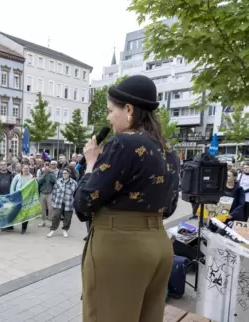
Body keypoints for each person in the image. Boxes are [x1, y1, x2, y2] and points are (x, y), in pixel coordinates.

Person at [73, 75, 179, 322]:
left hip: (120, 248)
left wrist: (90, 164)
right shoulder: (168, 149)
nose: (109, 118)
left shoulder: (123, 143)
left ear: (129, 110)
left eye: (111, 111)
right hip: (159, 246)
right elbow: (171, 206)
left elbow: (83, 204)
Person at [47, 167, 78, 238]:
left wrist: (75, 203)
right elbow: (54, 192)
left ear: (69, 174)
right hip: (58, 202)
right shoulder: (58, 181)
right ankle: (52, 229)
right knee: (56, 216)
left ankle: (65, 230)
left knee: (68, 217)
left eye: (66, 173)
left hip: (69, 203)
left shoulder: (74, 183)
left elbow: (76, 194)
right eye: (63, 173)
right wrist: (53, 201)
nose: (64, 174)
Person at [9, 164, 33, 234]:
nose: (26, 170)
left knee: (25, 213)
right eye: (24, 168)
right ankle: (10, 226)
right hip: (18, 196)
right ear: (22, 169)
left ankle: (24, 228)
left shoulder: (31, 177)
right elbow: (12, 186)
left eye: (27, 168)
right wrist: (12, 195)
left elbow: (35, 186)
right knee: (14, 211)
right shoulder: (17, 176)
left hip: (27, 197)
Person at [37, 161, 57, 227]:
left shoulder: (52, 173)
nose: (47, 167)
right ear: (44, 166)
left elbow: (54, 181)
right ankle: (44, 222)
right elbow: (39, 182)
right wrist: (44, 174)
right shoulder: (41, 172)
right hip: (42, 193)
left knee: (51, 208)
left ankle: (50, 222)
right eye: (46, 165)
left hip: (50, 193)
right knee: (42, 209)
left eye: (48, 165)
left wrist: (50, 173)